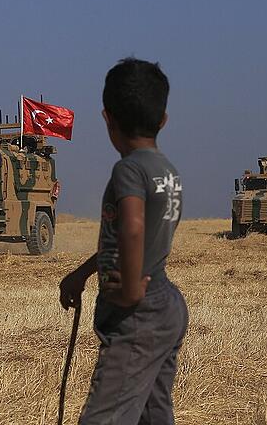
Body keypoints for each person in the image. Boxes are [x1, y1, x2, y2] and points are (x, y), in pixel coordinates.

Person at [59, 58, 188, 425]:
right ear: (162, 119)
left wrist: (130, 290)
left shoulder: (129, 169)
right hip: (166, 304)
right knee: (153, 413)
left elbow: (131, 226)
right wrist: (84, 272)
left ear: (107, 118)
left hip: (138, 312)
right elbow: (135, 235)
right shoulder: (167, 171)